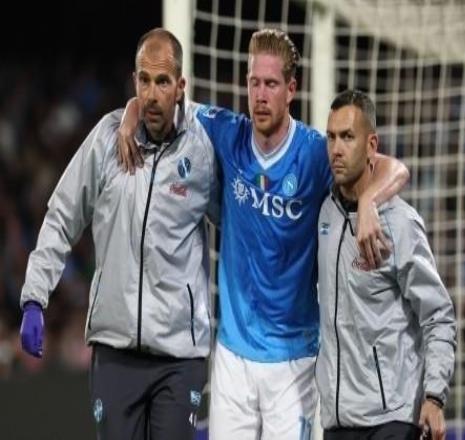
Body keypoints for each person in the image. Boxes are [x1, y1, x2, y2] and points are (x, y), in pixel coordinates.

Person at [118, 29, 409, 440]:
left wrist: (368, 202)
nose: (260, 95)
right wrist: (130, 114)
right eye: (254, 82)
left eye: (271, 84)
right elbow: (162, 101)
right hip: (233, 356)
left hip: (294, 361)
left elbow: (396, 168)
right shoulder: (227, 132)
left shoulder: (314, 152)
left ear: (291, 89)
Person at [19, 28, 219, 440]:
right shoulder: (107, 139)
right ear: (134, 81)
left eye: (162, 81)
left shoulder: (203, 151)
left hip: (179, 357)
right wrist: (35, 297)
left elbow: (239, 224)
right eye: (144, 80)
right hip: (115, 352)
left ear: (181, 86)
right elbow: (62, 216)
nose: (151, 94)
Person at [316, 89, 456, 440]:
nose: (336, 149)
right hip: (337, 421)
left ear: (372, 145)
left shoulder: (400, 223)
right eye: (331, 137)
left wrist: (434, 396)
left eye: (348, 137)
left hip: (391, 419)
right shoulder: (325, 213)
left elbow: (438, 315)